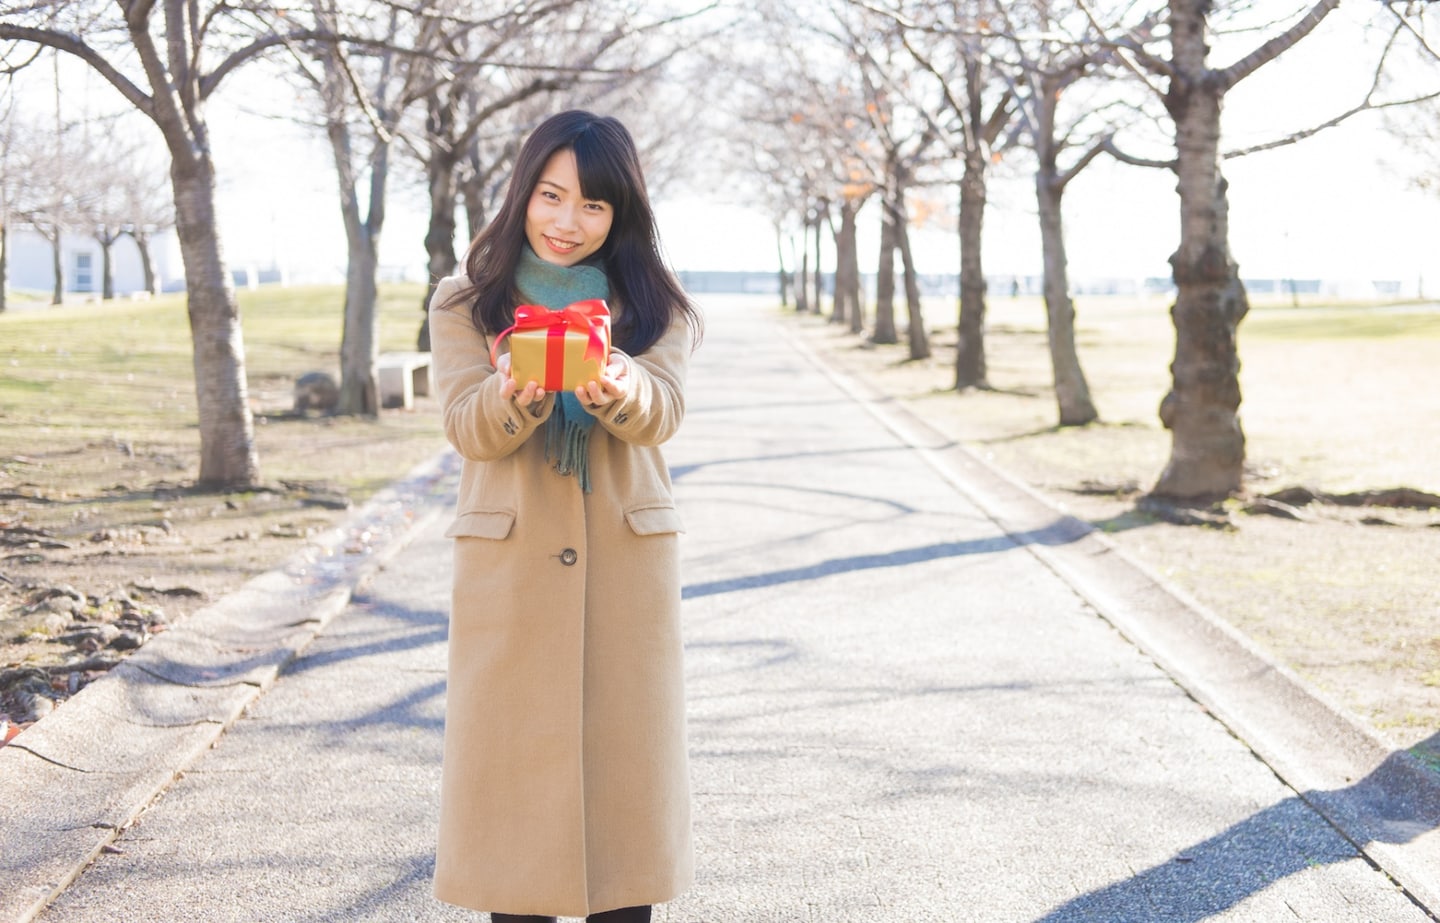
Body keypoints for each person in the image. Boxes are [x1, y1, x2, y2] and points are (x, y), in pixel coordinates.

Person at [426, 110, 703, 923]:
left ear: (621, 214)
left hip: (626, 567)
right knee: (514, 834)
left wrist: (617, 383)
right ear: (523, 195)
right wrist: (517, 390)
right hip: (509, 572)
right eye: (551, 196)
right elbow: (465, 425)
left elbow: (664, 411)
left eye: (592, 206)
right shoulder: (468, 303)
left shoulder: (653, 305)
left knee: (626, 828)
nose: (566, 222)